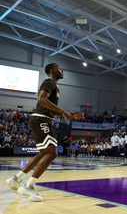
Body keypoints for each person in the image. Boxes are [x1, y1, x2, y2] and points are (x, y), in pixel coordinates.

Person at [6, 63, 82, 201]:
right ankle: (28, 186)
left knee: (44, 153)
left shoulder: (54, 86)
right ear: (52, 70)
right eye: (59, 68)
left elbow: (49, 108)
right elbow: (41, 99)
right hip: (41, 120)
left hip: (41, 119)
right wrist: (64, 111)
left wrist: (69, 114)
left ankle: (16, 179)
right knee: (52, 153)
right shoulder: (49, 82)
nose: (62, 70)